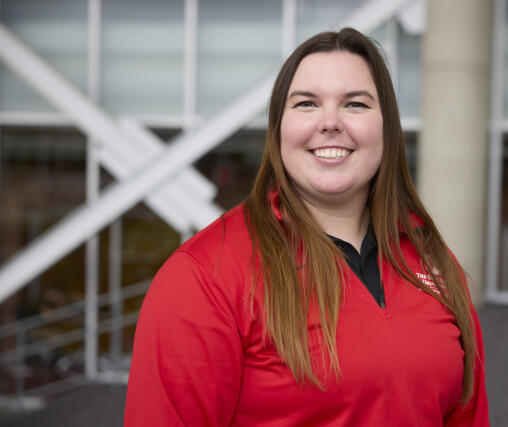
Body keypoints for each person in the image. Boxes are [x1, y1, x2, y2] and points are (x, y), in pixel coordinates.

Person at [124, 27, 489, 426]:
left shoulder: (432, 257)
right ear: (278, 128)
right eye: (307, 104)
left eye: (355, 104)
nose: (330, 122)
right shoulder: (203, 276)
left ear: (387, 128)